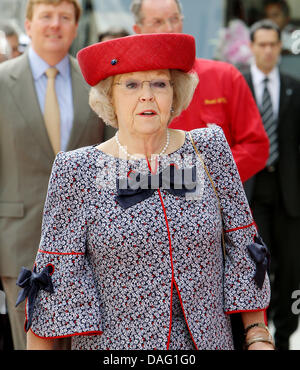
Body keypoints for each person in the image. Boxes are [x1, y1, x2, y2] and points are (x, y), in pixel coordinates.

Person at [16, 33, 273, 350]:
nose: (147, 96)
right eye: (131, 85)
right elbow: (56, 278)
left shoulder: (209, 150)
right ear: (110, 97)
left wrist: (258, 336)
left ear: (175, 93)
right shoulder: (78, 170)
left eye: (159, 84)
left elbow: (244, 246)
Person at [0, 0, 104, 350]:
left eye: (64, 17)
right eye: (46, 16)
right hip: (18, 240)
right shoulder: (1, 83)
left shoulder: (96, 86)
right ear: (28, 25)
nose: (54, 25)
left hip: (87, 245)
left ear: (76, 28)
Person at [130, 0, 270, 183]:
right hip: (150, 202)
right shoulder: (127, 86)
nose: (170, 28)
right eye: (157, 22)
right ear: (137, 29)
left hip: (215, 204)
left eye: (174, 19)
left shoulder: (225, 77)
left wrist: (204, 176)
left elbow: (256, 146)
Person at [243, 19, 300, 350]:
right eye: (261, 44)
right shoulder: (240, 84)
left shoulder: (294, 86)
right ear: (251, 47)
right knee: (256, 268)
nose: (267, 50)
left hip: (289, 193)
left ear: (280, 47)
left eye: (272, 44)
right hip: (252, 192)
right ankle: (256, 335)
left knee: (292, 271)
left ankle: (285, 335)